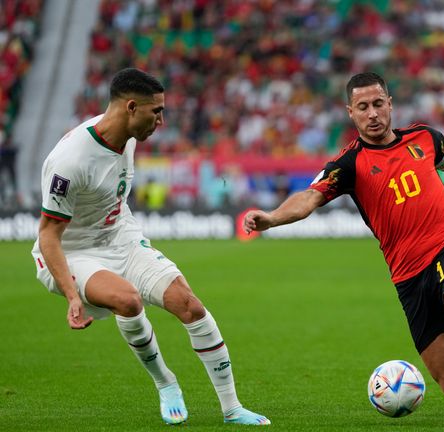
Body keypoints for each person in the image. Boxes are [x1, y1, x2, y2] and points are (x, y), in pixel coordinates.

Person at [244, 72, 444, 424]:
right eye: (363, 107)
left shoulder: (425, 139)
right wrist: (272, 218)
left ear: (390, 104)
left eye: (378, 104)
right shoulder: (349, 164)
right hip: (408, 277)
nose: (373, 113)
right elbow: (309, 197)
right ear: (351, 112)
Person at [31, 68, 270, 426]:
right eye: (155, 111)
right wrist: (72, 295)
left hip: (121, 237)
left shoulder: (126, 131)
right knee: (128, 300)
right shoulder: (70, 162)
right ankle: (166, 383)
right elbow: (49, 234)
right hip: (72, 253)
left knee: (189, 305)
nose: (161, 121)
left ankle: (232, 408)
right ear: (130, 107)